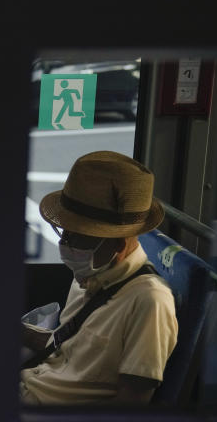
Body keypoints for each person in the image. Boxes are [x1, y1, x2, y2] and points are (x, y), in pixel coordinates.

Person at [21, 151, 178, 405]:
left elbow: (129, 408)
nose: (64, 243)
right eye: (64, 232)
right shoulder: (90, 273)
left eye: (77, 235)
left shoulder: (149, 302)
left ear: (116, 244)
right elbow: (69, 348)